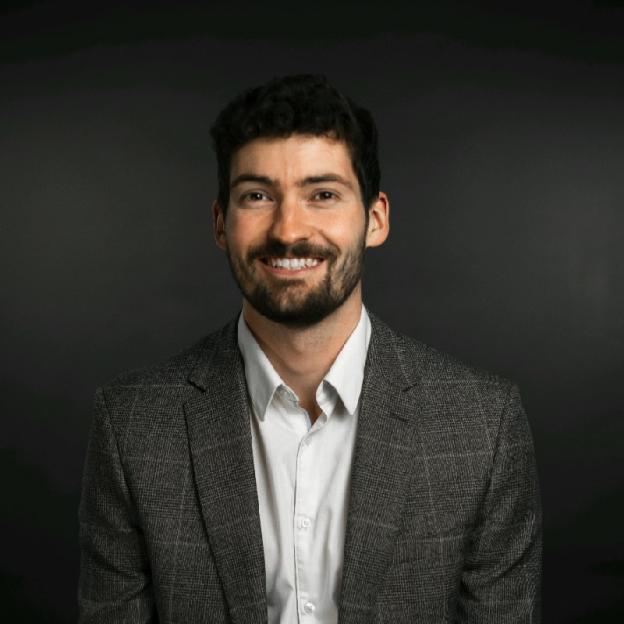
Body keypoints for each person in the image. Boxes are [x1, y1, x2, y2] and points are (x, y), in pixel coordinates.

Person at [78, 74, 542, 623]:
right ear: (221, 223)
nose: (288, 228)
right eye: (257, 195)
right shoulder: (133, 425)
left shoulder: (481, 428)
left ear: (375, 219)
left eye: (322, 194)